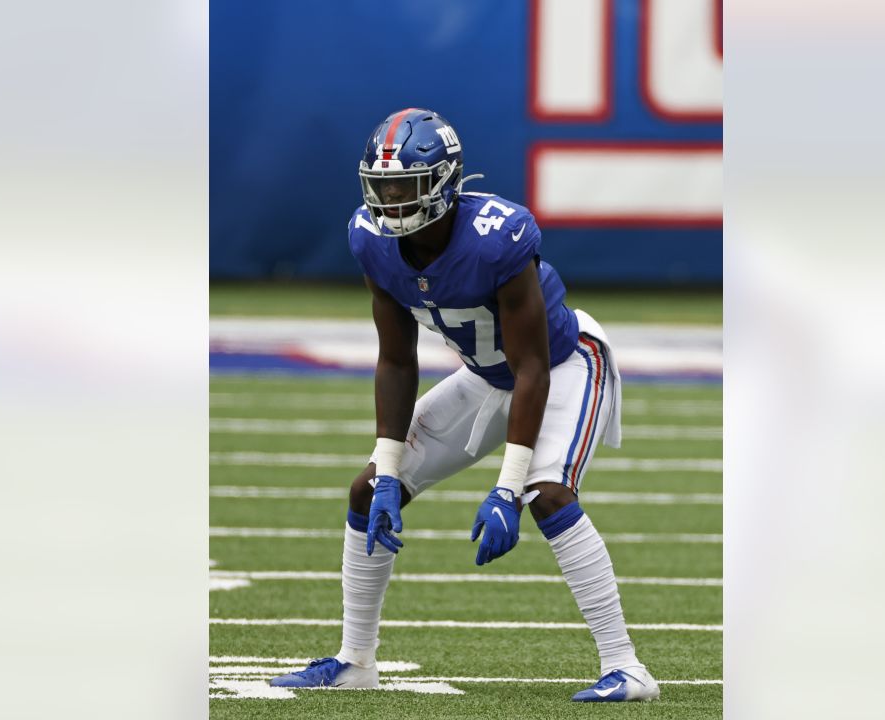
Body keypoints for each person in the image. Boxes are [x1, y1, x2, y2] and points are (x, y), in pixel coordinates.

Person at [270, 108, 659, 703]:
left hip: (563, 366)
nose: (392, 201)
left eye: (405, 187)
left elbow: (531, 368)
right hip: (483, 376)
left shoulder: (498, 239)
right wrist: (387, 462)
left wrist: (507, 487)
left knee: (546, 494)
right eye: (382, 187)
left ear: (446, 184)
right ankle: (356, 661)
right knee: (370, 487)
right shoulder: (372, 241)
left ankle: (628, 669)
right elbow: (396, 360)